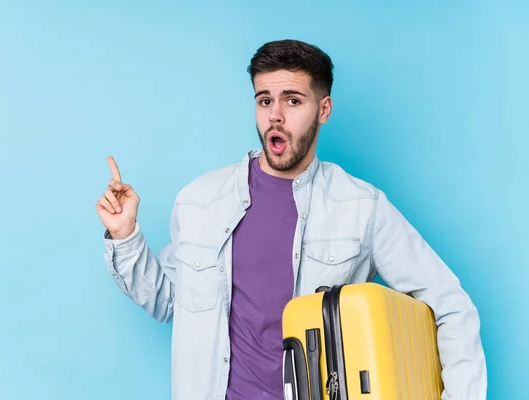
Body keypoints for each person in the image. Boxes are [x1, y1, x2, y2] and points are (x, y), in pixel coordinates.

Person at [96, 39, 487, 400]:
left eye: (293, 101)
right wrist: (125, 235)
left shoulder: (360, 206)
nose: (276, 116)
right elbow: (168, 301)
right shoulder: (199, 200)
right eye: (264, 101)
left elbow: (451, 306)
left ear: (324, 110)